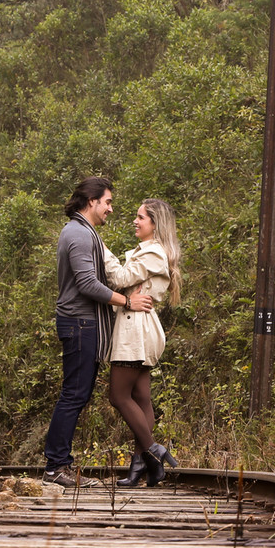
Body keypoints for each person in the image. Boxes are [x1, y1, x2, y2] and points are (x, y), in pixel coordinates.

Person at [44, 177, 155, 488]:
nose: (110, 208)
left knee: (76, 396)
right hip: (80, 324)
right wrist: (128, 301)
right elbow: (88, 284)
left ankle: (59, 464)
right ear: (90, 201)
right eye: (107, 201)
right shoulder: (78, 234)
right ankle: (56, 466)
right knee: (73, 396)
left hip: (84, 325)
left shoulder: (82, 232)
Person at [103, 199, 183, 487]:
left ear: (154, 223)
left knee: (119, 396)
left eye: (141, 218)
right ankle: (141, 466)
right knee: (141, 398)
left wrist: (101, 249)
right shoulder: (149, 252)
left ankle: (152, 450)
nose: (135, 222)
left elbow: (121, 277)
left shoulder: (153, 254)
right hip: (138, 327)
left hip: (134, 330)